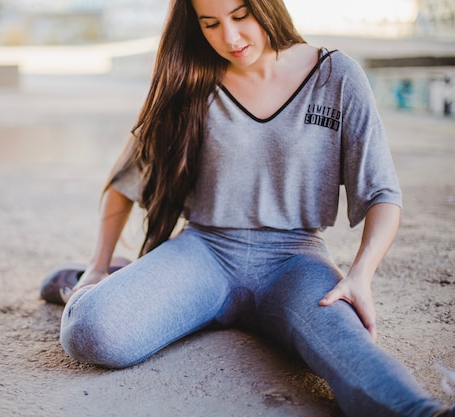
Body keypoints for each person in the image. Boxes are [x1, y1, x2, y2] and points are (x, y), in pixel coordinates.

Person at [52, 0, 455, 415]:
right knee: (92, 332)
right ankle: (90, 279)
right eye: (210, 24)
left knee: (349, 347)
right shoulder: (190, 77)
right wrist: (98, 267)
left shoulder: (337, 76)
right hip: (204, 253)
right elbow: (127, 178)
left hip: (294, 262)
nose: (230, 37)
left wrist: (360, 276)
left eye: (241, 15)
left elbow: (382, 193)